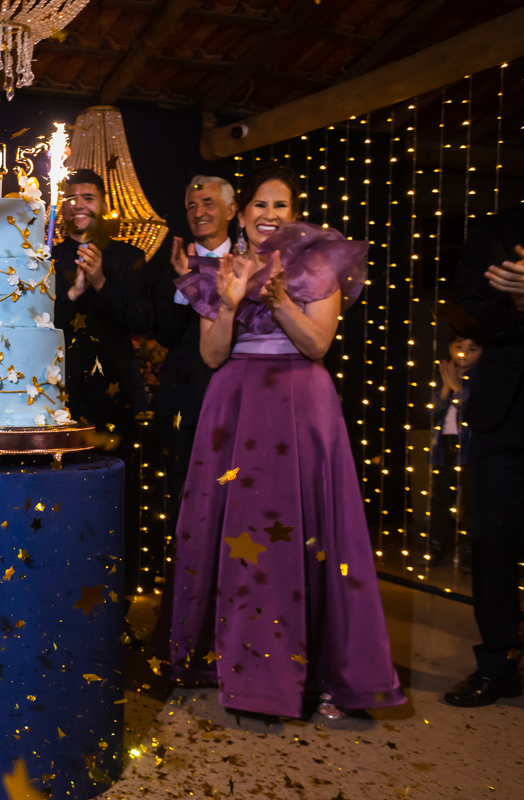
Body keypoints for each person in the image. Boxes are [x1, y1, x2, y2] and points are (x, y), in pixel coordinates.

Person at [168, 164, 405, 719]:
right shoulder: (217, 268)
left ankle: (317, 670)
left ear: (292, 216)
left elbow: (318, 343)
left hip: (299, 406)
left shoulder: (323, 262)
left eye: (281, 206)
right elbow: (211, 355)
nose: (270, 215)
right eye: (260, 206)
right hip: (234, 404)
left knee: (310, 534)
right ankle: (237, 665)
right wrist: (227, 303)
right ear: (242, 216)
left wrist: (278, 302)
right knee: (236, 533)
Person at [445, 201, 524, 708]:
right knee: (493, 541)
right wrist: (515, 306)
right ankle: (497, 665)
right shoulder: (497, 230)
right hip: (504, 412)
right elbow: (466, 308)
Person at [150, 176, 235, 518]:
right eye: (191, 205)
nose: (198, 211)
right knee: (182, 502)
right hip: (183, 404)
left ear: (231, 209)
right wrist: (186, 282)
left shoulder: (249, 264)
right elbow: (165, 335)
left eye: (208, 203)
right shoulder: (165, 266)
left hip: (238, 402)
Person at [51, 168, 154, 436]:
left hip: (116, 392)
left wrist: (100, 282)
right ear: (62, 209)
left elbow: (142, 320)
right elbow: (36, 323)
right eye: (70, 199)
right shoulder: (45, 259)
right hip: (57, 391)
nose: (79, 205)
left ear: (104, 205)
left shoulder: (129, 256)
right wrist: (72, 294)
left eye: (88, 198)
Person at [425, 333, 481, 567]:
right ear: (449, 348)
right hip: (444, 445)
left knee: (470, 500)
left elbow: (476, 412)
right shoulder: (443, 375)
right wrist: (447, 389)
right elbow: (431, 413)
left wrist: (458, 388)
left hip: (470, 448)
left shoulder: (482, 377)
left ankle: (469, 553)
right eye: (459, 347)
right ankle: (435, 549)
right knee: (440, 499)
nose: (464, 354)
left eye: (472, 348)